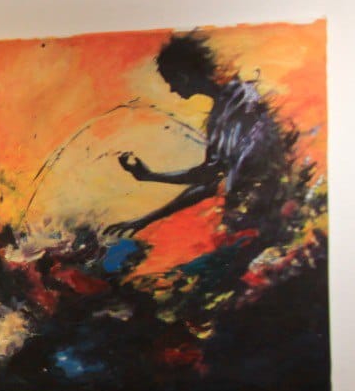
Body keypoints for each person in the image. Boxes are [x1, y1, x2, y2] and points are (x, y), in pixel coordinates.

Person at [106, 32, 298, 245]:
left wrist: (150, 190)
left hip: (270, 216)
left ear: (183, 76)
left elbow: (214, 177)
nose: (172, 89)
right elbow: (209, 179)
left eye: (170, 81)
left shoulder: (243, 102)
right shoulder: (221, 113)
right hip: (251, 219)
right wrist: (150, 180)